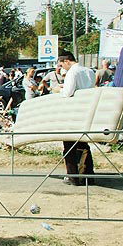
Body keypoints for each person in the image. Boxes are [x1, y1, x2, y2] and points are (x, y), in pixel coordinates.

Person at [53, 53, 97, 186]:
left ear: (67, 61)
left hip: (73, 113)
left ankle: (73, 176)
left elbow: (68, 93)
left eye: (62, 65)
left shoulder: (72, 72)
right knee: (83, 145)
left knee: (69, 145)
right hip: (86, 111)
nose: (62, 68)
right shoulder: (89, 71)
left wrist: (58, 90)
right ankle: (88, 175)